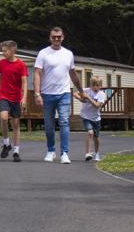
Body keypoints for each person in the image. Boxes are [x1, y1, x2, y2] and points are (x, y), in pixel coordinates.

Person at [34, 27, 84, 164]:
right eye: (54, 37)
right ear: (50, 38)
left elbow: (73, 73)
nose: (56, 39)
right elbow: (37, 73)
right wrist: (37, 93)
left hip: (64, 93)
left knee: (64, 122)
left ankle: (64, 153)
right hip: (47, 94)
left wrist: (81, 90)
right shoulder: (43, 53)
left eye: (59, 36)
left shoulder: (68, 54)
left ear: (63, 37)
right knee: (49, 125)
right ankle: (51, 151)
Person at [0, 40, 28, 162]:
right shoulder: (2, 63)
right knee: (3, 118)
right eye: (2, 51)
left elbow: (24, 82)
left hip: (16, 98)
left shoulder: (21, 65)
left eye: (5, 51)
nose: (3, 53)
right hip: (4, 97)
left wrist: (24, 98)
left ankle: (16, 151)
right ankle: (6, 143)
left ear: (12, 50)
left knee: (15, 124)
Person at [79, 76, 107, 161]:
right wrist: (81, 99)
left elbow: (96, 105)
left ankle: (97, 153)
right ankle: (87, 153)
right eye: (94, 85)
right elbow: (75, 94)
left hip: (96, 118)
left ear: (100, 86)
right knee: (90, 133)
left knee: (96, 137)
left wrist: (88, 98)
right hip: (86, 117)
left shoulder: (102, 94)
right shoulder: (87, 90)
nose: (95, 87)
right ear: (90, 85)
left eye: (98, 85)